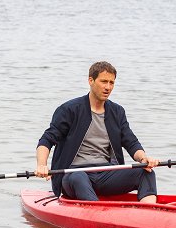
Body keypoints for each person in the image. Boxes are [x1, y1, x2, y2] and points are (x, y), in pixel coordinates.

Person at [35, 61, 159, 203]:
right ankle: (99, 214)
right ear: (91, 81)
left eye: (111, 83)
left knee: (146, 172)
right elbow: (46, 140)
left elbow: (131, 142)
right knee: (78, 177)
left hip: (106, 175)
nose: (108, 87)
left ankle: (147, 213)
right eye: (103, 81)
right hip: (73, 175)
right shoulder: (69, 110)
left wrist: (144, 159)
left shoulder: (117, 112)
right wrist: (42, 165)